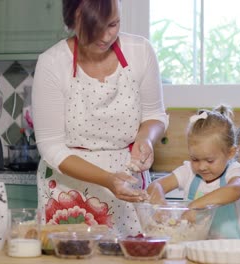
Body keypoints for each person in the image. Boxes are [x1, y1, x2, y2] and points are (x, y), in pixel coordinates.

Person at [32, 0, 168, 235]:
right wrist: (107, 180)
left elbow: (154, 115)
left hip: (129, 185)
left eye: (113, 24)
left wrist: (145, 139)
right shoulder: (52, 64)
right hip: (68, 190)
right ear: (72, 20)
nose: (106, 37)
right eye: (95, 28)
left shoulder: (140, 52)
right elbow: (51, 146)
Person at [147, 105, 240, 239]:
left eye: (210, 160)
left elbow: (235, 190)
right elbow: (155, 186)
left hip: (229, 252)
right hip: (194, 248)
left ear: (230, 153)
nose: (201, 167)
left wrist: (195, 206)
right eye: (195, 159)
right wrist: (160, 206)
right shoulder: (188, 171)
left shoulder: (234, 171)